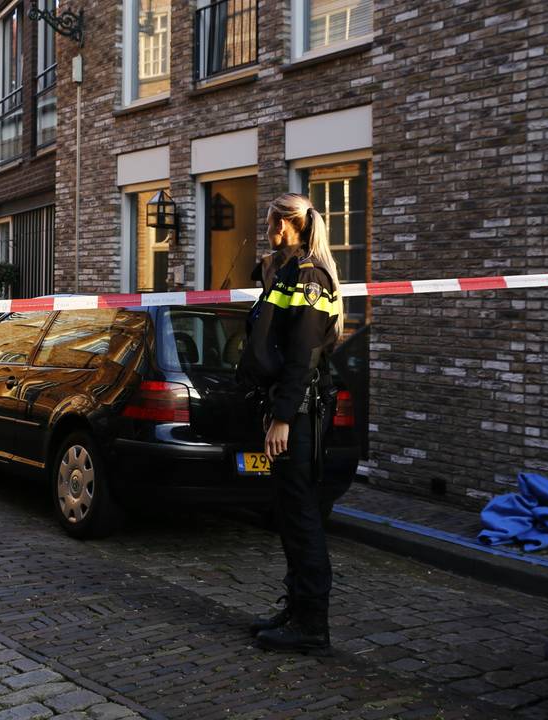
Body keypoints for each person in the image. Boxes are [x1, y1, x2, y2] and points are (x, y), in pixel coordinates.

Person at [239, 193, 343, 655]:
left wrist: (284, 417)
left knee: (301, 516)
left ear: (285, 224)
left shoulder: (310, 277)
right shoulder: (287, 270)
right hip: (286, 407)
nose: (266, 227)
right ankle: (295, 609)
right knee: (287, 511)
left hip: (300, 413)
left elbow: (303, 354)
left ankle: (311, 626)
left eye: (270, 221)